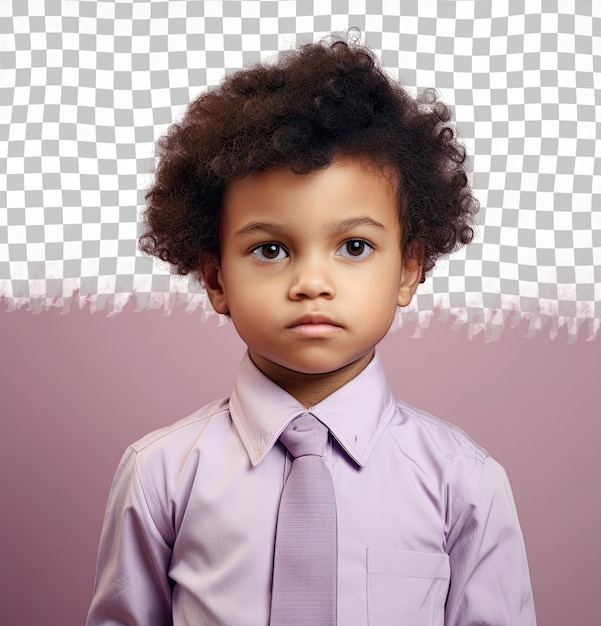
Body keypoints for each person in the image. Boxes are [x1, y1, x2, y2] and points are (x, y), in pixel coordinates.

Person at [86, 36, 536, 625]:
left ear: (408, 269)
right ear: (216, 277)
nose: (311, 282)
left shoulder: (464, 482)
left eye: (354, 246)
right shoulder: (162, 473)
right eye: (270, 249)